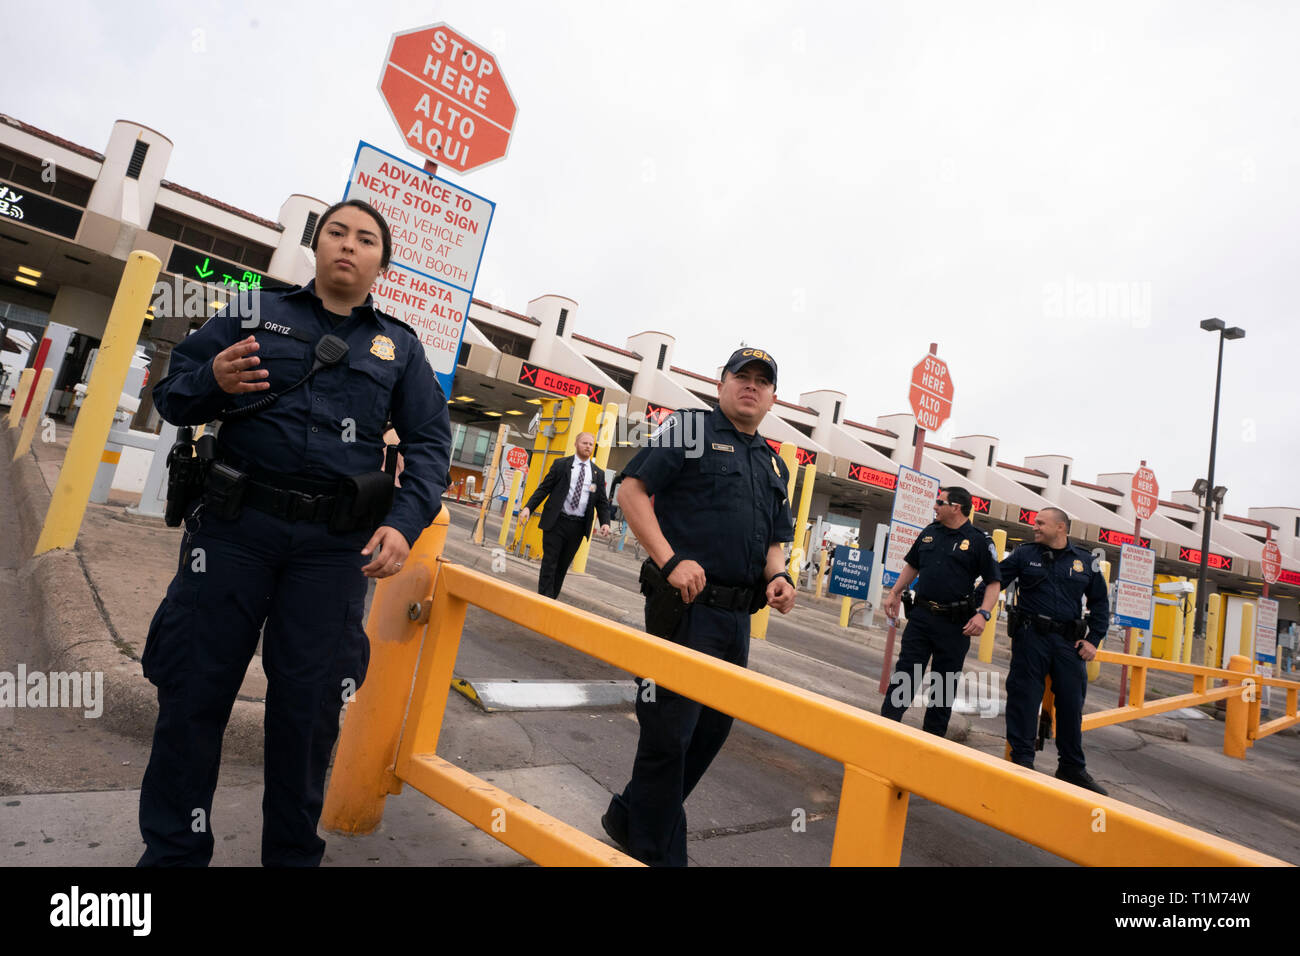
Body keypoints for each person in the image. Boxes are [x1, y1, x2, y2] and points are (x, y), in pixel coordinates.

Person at [137, 199, 452, 865]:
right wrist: (214, 382)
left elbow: (429, 448)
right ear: (316, 247)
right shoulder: (255, 309)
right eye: (336, 232)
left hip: (333, 551)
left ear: (381, 265)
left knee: (307, 714)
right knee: (194, 692)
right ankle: (172, 853)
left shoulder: (400, 347)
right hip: (232, 530)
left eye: (365, 239)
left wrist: (403, 523)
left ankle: (289, 857)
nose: (348, 245)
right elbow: (173, 394)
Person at [601, 347, 797, 866]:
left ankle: (628, 816)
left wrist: (777, 576)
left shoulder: (772, 461)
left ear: (774, 397)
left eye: (762, 381)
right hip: (685, 608)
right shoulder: (691, 429)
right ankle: (659, 855)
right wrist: (669, 561)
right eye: (742, 377)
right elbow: (631, 490)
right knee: (669, 735)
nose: (751, 386)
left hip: (738, 619)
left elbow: (775, 539)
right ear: (722, 384)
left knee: (708, 736)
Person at [998, 507, 1110, 794]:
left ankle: (1071, 767)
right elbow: (995, 580)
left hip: (1068, 643)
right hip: (1030, 637)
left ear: (1061, 527)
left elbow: (1100, 603)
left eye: (1040, 523)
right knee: (1024, 699)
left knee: (1072, 705)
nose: (1034, 527)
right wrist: (976, 610)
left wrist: (1093, 640)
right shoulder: (1024, 554)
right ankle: (1022, 762)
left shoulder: (1086, 561)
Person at [880, 486, 1001, 737]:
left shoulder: (979, 541)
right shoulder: (929, 533)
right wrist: (894, 592)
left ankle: (933, 741)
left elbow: (993, 583)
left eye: (939, 502)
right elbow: (912, 565)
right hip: (922, 616)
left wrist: (983, 614)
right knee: (906, 674)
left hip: (955, 624)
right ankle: (887, 729)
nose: (934, 506)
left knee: (943, 684)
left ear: (956, 507)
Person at [518, 431, 611, 598]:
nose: (588, 446)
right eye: (584, 443)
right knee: (550, 562)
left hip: (577, 527)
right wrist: (528, 508)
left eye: (591, 444)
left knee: (562, 566)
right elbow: (544, 488)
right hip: (557, 522)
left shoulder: (597, 473)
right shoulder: (561, 465)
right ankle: (543, 599)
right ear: (576, 444)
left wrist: (605, 522)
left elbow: (602, 502)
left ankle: (552, 600)